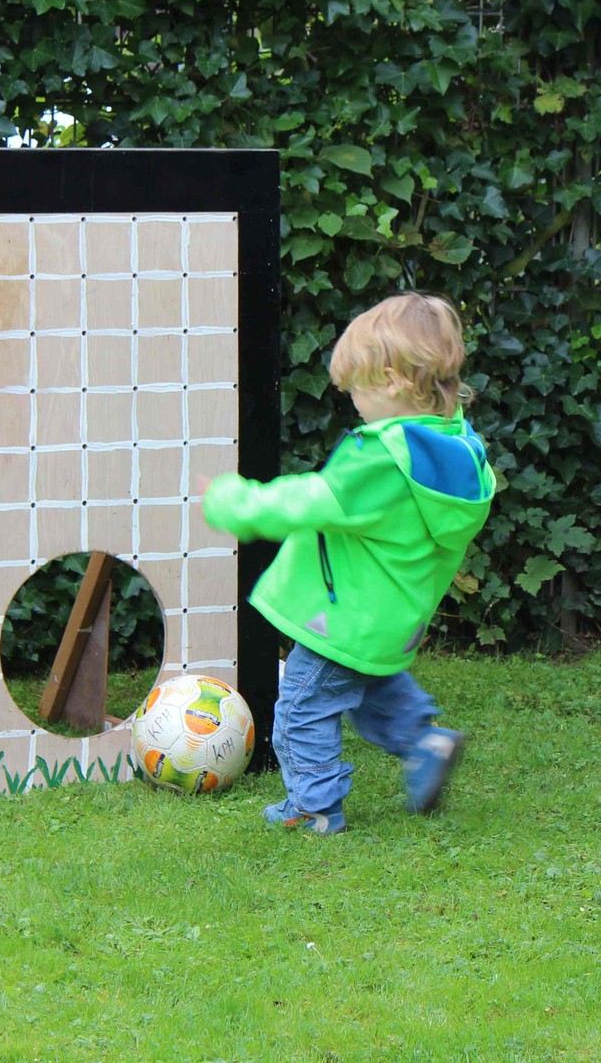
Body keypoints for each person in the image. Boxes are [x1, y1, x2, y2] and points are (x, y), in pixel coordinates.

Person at [200, 292, 497, 834]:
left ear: (392, 381)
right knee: (372, 687)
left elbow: (312, 499)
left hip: (341, 617)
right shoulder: (458, 448)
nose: (353, 401)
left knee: (301, 709)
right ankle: (425, 740)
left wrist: (233, 501)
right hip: (389, 620)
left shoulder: (382, 458)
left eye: (357, 388)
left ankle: (313, 807)